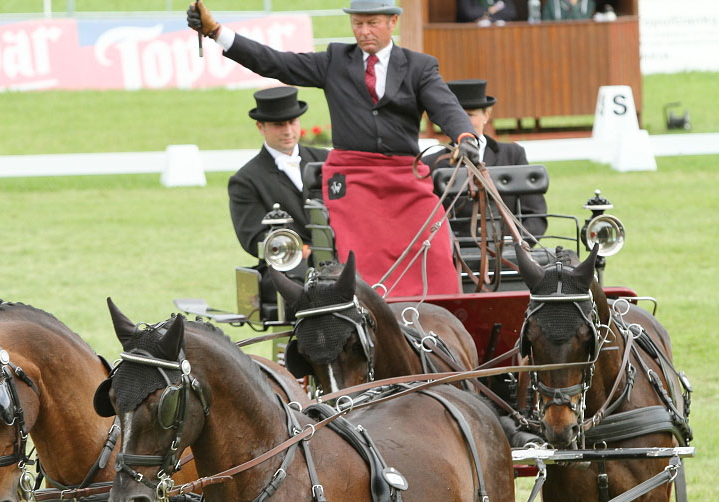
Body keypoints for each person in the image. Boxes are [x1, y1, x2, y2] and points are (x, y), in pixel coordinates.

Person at [188, 0, 480, 297]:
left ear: (393, 22)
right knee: (361, 262)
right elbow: (276, 62)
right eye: (358, 24)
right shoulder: (334, 60)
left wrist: (465, 136)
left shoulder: (419, 66)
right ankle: (371, 324)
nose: (364, 31)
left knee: (437, 250)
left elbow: (445, 106)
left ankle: (442, 318)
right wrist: (216, 32)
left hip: (406, 176)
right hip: (352, 178)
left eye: (373, 23)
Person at [424, 79, 547, 239]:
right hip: (453, 253)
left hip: (507, 250)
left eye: (469, 115)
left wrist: (515, 246)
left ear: (486, 116)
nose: (463, 123)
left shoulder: (513, 154)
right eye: (458, 117)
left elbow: (534, 213)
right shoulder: (431, 163)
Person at [229, 86, 330, 263]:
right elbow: (253, 238)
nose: (288, 131)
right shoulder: (246, 180)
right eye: (279, 125)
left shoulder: (326, 160)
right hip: (287, 267)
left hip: (338, 258)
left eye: (293, 122)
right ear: (261, 127)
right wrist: (300, 251)